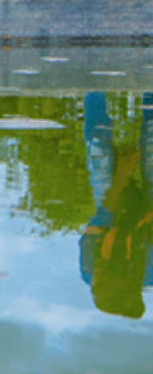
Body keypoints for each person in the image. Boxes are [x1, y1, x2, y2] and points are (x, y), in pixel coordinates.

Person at [79, 92, 153, 318]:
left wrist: (121, 177)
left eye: (94, 286)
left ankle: (94, 92)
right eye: (102, 284)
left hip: (114, 210)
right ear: (123, 281)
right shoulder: (149, 269)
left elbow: (103, 216)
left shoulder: (89, 269)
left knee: (98, 153)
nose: (95, 280)